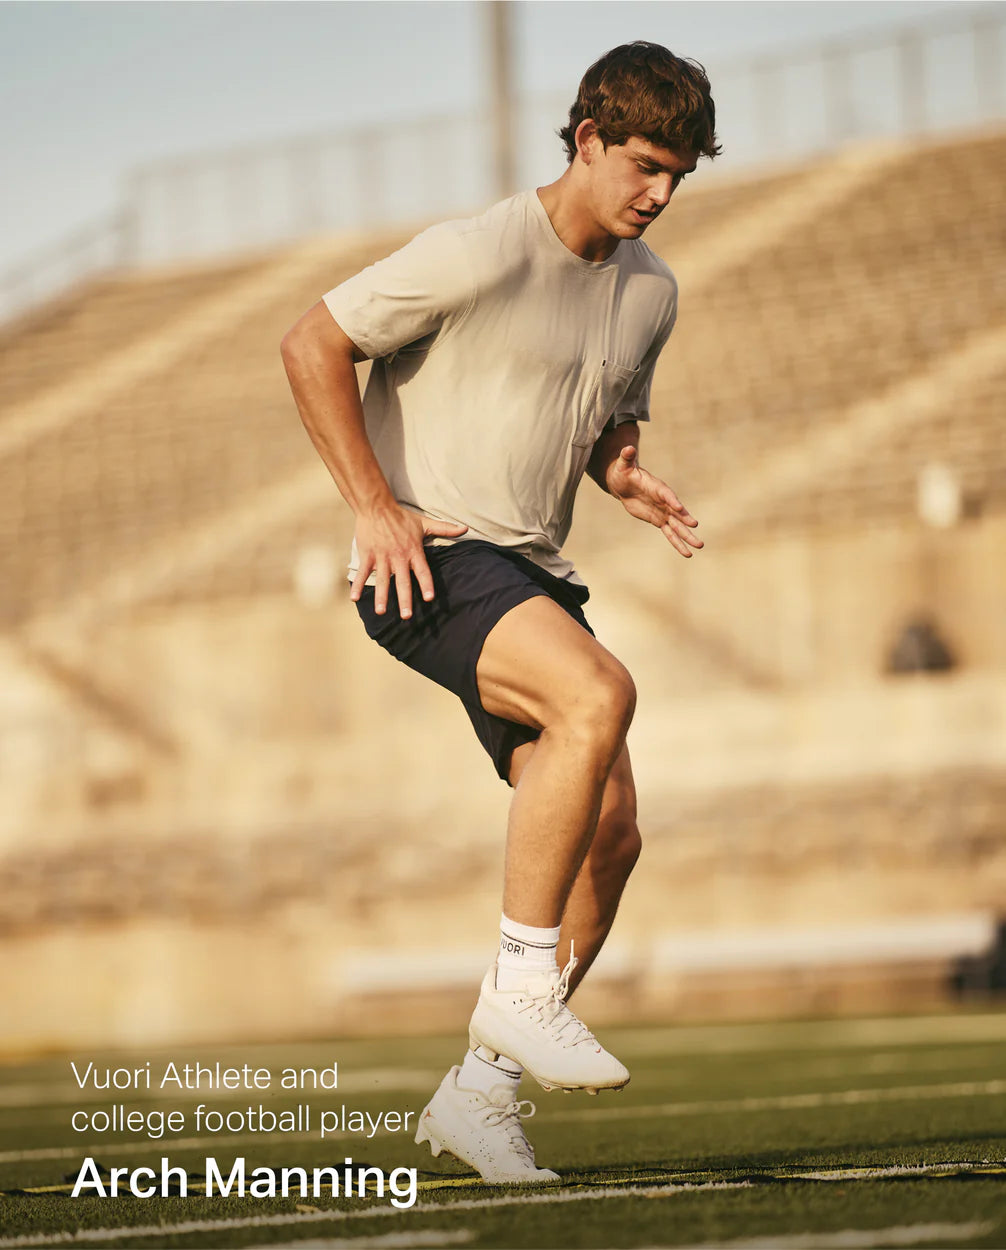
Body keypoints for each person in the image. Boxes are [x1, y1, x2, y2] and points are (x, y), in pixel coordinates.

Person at [281, 40, 720, 1184]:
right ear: (585, 138)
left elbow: (600, 423)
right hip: (429, 560)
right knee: (598, 693)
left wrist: (622, 474)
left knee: (612, 834)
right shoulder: (477, 250)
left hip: (531, 571)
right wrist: (372, 507)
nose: (659, 194)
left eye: (677, 175)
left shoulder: (651, 291)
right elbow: (311, 341)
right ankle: (523, 995)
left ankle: (478, 1095)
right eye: (642, 165)